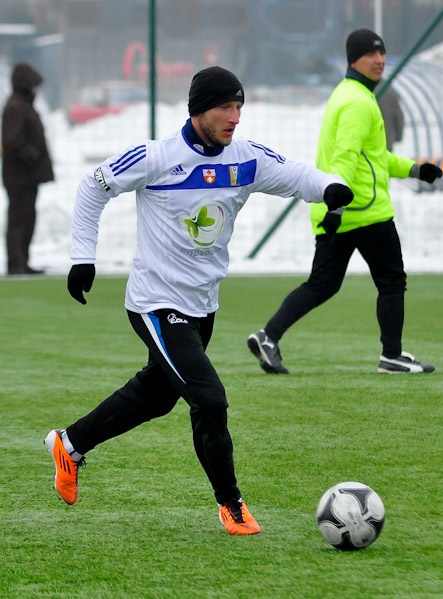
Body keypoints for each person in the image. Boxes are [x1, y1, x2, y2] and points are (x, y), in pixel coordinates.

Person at [44, 66, 353, 534]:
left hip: (202, 308)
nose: (235, 117)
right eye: (226, 107)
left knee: (157, 396)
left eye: (239, 107)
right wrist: (83, 258)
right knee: (209, 400)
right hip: (154, 303)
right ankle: (232, 507)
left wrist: (328, 188)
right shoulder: (157, 157)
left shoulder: (244, 157)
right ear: (199, 110)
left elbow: (293, 175)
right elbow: (93, 186)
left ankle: (69, 445)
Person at [248, 29, 443, 375]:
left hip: (341, 210)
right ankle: (392, 355)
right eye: (371, 55)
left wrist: (415, 169)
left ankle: (268, 336)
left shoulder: (347, 94)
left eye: (382, 54)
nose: (380, 60)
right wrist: (336, 207)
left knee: (322, 284)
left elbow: (374, 157)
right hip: (364, 211)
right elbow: (346, 158)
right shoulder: (358, 102)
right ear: (354, 59)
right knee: (392, 281)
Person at [2, 63, 54, 275]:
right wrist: (32, 155)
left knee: (25, 218)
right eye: (32, 86)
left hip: (25, 176)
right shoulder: (16, 106)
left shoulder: (21, 104)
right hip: (20, 176)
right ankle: (16, 263)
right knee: (19, 220)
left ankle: (22, 260)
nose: (35, 90)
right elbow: (12, 140)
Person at [377, 83, 404, 152]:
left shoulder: (359, 91)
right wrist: (398, 137)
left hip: (366, 142)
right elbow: (399, 117)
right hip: (387, 139)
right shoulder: (390, 91)